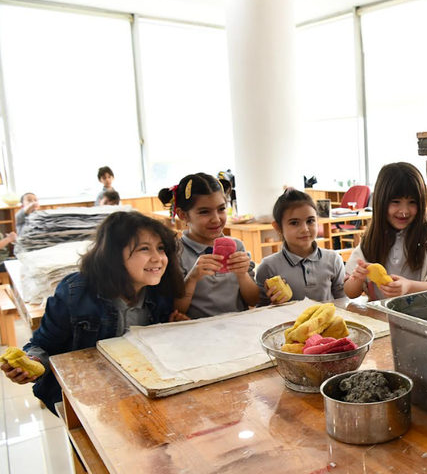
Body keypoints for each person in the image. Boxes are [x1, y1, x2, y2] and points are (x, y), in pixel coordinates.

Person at [0, 211, 188, 413]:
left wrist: (172, 330)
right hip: (87, 402)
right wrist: (31, 364)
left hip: (139, 395)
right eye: (144, 249)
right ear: (114, 255)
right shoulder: (76, 292)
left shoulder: (159, 290)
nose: (158, 258)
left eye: (161, 249)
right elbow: (42, 346)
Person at [345, 162, 427, 300]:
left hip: (422, 316)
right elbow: (350, 293)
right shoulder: (372, 239)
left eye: (412, 202)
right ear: (381, 202)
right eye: (396, 201)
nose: (404, 211)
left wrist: (409, 287)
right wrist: (358, 279)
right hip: (381, 318)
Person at [157, 173, 257, 318]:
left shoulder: (237, 246)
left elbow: (253, 300)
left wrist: (242, 275)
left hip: (238, 328)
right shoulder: (176, 252)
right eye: (204, 212)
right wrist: (192, 277)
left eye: (221, 209)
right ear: (183, 215)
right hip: (198, 332)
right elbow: (178, 310)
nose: (216, 219)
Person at [256, 188, 346, 305]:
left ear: (317, 221)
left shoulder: (333, 260)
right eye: (294, 223)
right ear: (278, 227)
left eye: (310, 221)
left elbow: (342, 301)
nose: (305, 229)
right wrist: (273, 305)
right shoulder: (268, 267)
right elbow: (261, 311)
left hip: (327, 322)